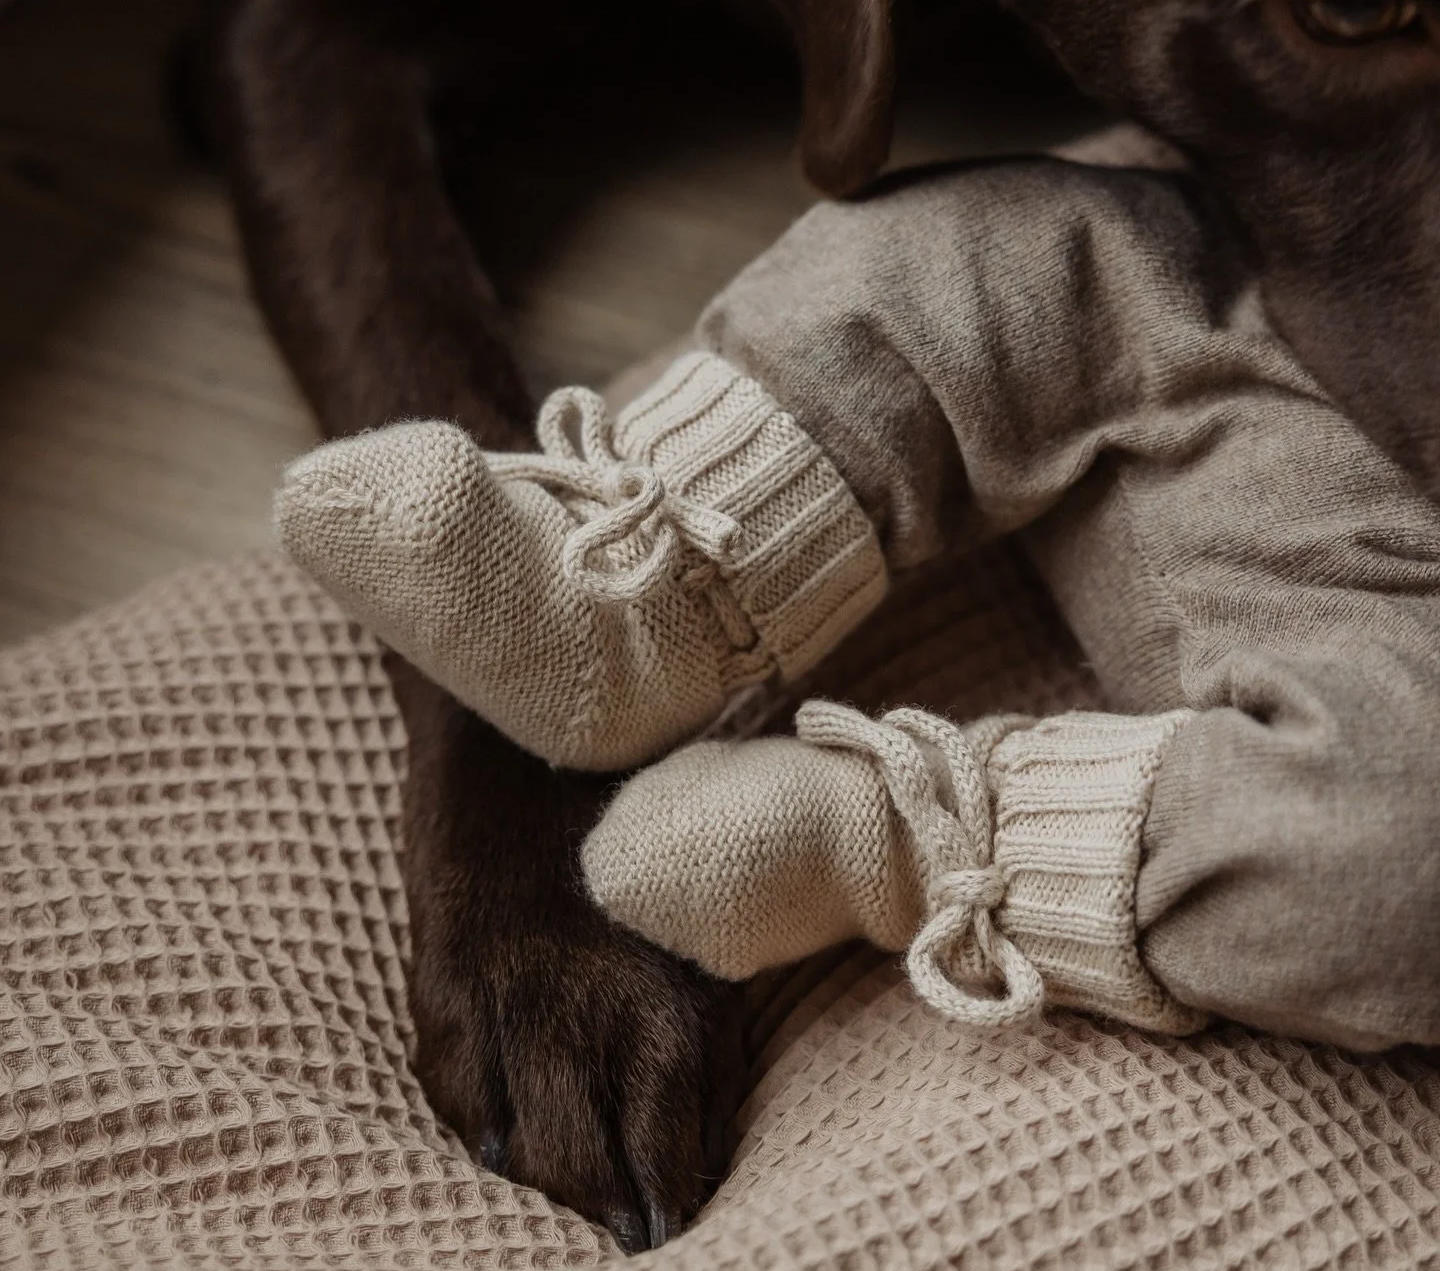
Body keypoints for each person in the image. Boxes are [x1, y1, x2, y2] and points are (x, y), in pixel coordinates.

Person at [278, 158, 1440, 1050]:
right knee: (993, 237)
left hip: (1385, 615)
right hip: (1285, 265)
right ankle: (641, 590)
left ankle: (909, 837)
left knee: (1396, 865)